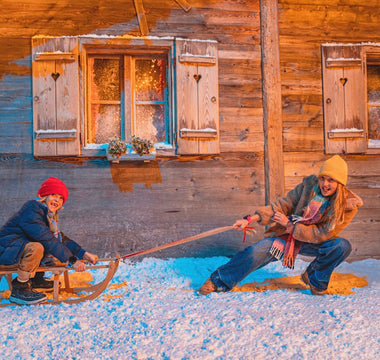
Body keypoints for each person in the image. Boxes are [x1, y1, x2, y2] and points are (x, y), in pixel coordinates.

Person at [200, 155, 363, 296]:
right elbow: (282, 205)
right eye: (323, 178)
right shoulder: (308, 187)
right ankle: (219, 280)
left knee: (341, 246)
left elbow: (322, 234)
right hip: (290, 238)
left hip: (315, 242)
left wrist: (290, 225)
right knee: (255, 251)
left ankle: (315, 278)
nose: (325, 184)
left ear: (340, 183)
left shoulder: (347, 206)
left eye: (331, 180)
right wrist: (249, 219)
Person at [0, 177, 98, 305]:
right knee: (37, 247)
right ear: (43, 196)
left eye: (61, 198)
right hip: (5, 251)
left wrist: (83, 253)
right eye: (53, 195)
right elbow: (46, 238)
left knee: (45, 245)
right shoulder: (32, 208)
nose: (57, 200)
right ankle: (20, 288)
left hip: (16, 251)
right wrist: (72, 260)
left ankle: (35, 279)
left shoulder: (49, 217)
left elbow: (60, 239)